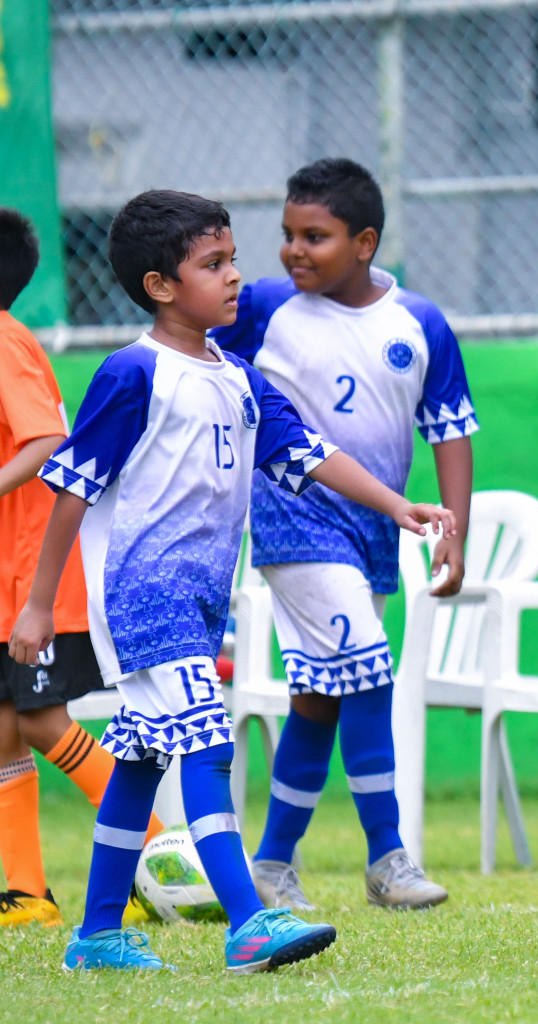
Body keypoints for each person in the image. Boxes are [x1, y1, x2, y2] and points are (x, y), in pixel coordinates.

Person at [7, 190, 455, 972]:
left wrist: (398, 504)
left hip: (201, 598)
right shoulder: (132, 374)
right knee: (208, 746)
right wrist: (40, 604)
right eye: (213, 265)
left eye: (232, 259)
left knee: (142, 759)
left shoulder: (239, 379)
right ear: (161, 286)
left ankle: (98, 935)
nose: (236, 276)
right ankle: (250, 920)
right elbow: (72, 487)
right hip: (146, 596)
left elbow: (312, 452)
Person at [211, 158, 473, 911]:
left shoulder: (418, 323)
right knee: (368, 668)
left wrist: (455, 528)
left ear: (364, 241)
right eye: (288, 234)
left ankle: (271, 864)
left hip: (375, 533)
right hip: (294, 522)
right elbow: (189, 325)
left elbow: (450, 431)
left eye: (315, 237)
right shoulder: (263, 308)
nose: (295, 251)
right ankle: (389, 858)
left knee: (322, 695)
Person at [0, 208, 164, 929]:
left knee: (39, 721)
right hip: (8, 574)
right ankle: (29, 893)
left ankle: (160, 857)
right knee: (5, 728)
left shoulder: (2, 339)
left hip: (36, 575)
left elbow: (44, 440)